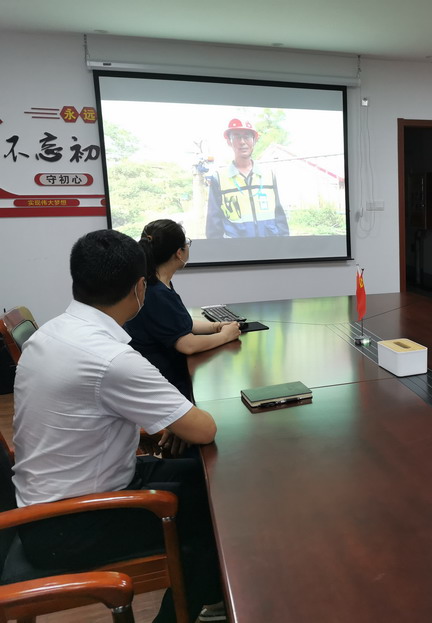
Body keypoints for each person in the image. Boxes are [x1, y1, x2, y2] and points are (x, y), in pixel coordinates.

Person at [12, 229, 225, 623]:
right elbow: (204, 429)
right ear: (140, 288)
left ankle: (213, 597)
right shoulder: (110, 357)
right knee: (216, 519)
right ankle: (191, 611)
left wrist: (162, 425)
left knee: (210, 480)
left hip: (50, 501)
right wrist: (175, 422)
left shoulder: (53, 333)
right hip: (71, 524)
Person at [126, 219, 241, 400]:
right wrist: (225, 336)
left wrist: (216, 326)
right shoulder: (157, 293)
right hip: (163, 384)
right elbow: (188, 345)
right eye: (187, 243)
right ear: (179, 253)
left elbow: (180, 323)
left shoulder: (154, 282)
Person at [205, 118, 290, 238]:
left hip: (270, 246)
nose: (242, 142)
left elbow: (280, 217)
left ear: (254, 140)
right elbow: (213, 226)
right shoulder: (219, 178)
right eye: (237, 137)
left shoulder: (269, 174)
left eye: (247, 136)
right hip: (237, 249)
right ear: (229, 142)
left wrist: (285, 244)